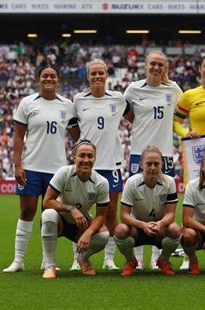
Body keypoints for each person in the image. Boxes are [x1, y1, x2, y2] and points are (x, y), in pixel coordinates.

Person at [3, 65, 78, 273]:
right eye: (45, 76)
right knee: (27, 211)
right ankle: (18, 260)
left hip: (57, 170)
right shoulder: (27, 103)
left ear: (58, 80)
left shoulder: (67, 105)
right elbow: (18, 136)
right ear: (39, 79)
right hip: (31, 167)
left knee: (50, 215)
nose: (49, 78)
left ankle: (48, 260)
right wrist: (17, 164)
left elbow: (77, 136)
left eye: (53, 76)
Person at [123, 51, 183, 270]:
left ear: (164, 67)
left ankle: (157, 256)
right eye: (152, 64)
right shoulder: (133, 89)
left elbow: (182, 114)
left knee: (161, 204)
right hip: (140, 153)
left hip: (165, 154)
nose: (156, 68)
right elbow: (128, 115)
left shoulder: (174, 89)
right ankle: (137, 257)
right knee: (137, 203)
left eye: (160, 64)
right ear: (145, 66)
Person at [73, 59, 128, 271]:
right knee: (80, 211)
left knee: (111, 211)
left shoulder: (119, 98)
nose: (97, 76)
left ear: (107, 75)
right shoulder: (78, 100)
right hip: (86, 163)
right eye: (93, 73)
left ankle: (108, 258)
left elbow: (136, 114)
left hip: (111, 163)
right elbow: (72, 127)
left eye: (101, 73)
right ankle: (77, 257)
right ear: (88, 76)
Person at [41, 140, 110, 279]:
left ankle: (82, 258)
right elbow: (47, 202)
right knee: (48, 215)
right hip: (60, 221)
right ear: (74, 157)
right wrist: (70, 208)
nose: (86, 160)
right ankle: (50, 265)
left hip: (81, 225)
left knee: (104, 235)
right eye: (82, 155)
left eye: (90, 156)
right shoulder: (64, 172)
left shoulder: (102, 182)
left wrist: (88, 233)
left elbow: (101, 216)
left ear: (95, 158)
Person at [114, 145, 181, 276]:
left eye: (156, 164)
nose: (152, 167)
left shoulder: (169, 182)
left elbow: (171, 214)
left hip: (159, 228)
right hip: (137, 228)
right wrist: (143, 225)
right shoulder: (131, 182)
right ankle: (130, 261)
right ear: (141, 165)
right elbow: (124, 215)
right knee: (120, 230)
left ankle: (164, 260)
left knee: (175, 229)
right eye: (149, 164)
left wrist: (159, 224)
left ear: (161, 164)